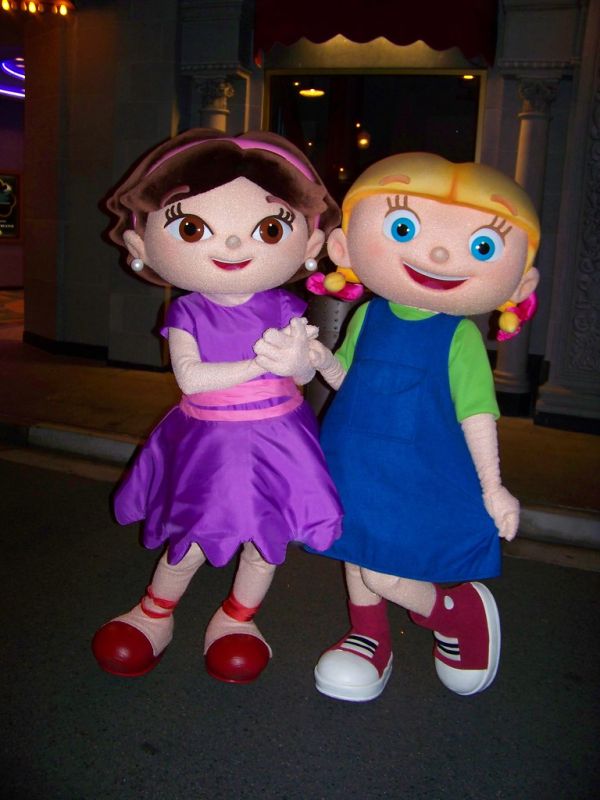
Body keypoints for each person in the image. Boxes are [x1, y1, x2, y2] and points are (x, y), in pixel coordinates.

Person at [256, 152, 540, 701]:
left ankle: (455, 614)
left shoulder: (457, 336)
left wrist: (493, 487)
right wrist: (315, 359)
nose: (438, 254)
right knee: (354, 548)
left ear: (519, 281)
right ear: (344, 249)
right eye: (404, 229)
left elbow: (476, 413)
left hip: (418, 469)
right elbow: (350, 379)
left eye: (482, 246)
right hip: (354, 459)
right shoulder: (369, 314)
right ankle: (368, 635)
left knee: (385, 570)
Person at [92, 129, 343, 683]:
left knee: (266, 539)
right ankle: (155, 611)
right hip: (209, 440)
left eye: (269, 229)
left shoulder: (286, 305)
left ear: (308, 245)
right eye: (192, 228)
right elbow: (191, 379)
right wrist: (262, 364)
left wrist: (305, 362)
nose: (232, 245)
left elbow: (309, 371)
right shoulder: (188, 311)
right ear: (141, 246)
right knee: (193, 534)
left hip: (281, 438)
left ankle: (237, 618)